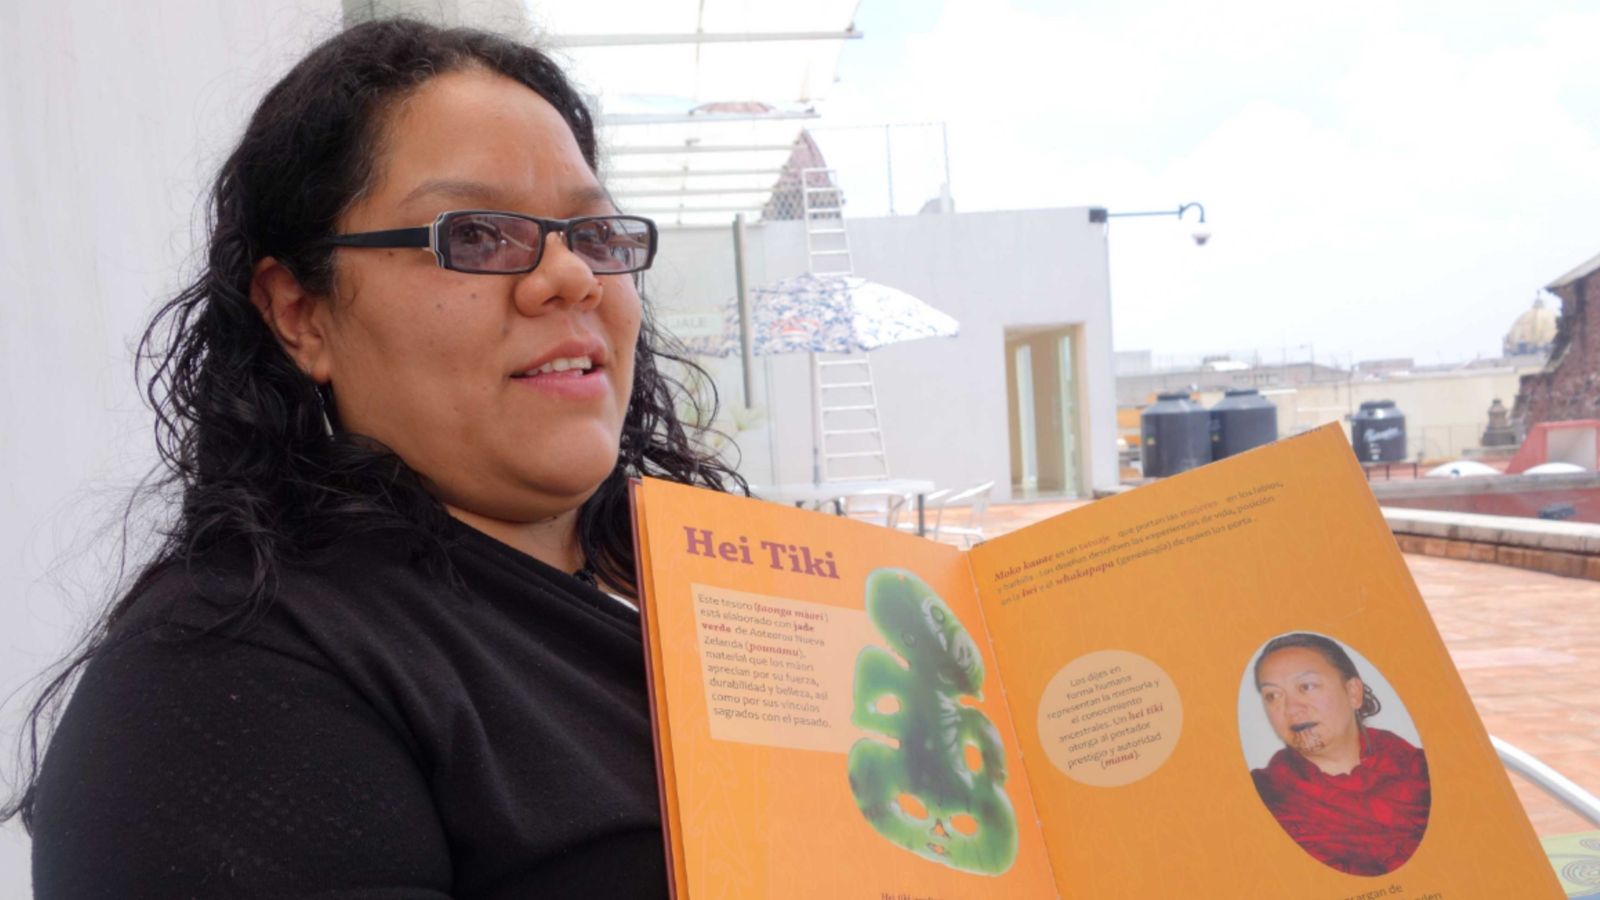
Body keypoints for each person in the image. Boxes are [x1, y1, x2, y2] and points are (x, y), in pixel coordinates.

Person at [6, 18, 744, 898]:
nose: (572, 277)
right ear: (300, 314)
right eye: (474, 236)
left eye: (592, 235)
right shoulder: (226, 677)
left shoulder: (714, 598)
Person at [1249, 633, 1430, 877]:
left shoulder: (1425, 773)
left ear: (1354, 692)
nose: (1291, 709)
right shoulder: (1260, 796)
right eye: (1273, 696)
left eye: (1307, 687)